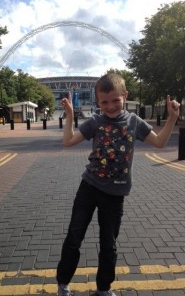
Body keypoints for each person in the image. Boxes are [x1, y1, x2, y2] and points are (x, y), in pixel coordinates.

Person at [56, 73, 180, 296]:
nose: (110, 106)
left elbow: (160, 143)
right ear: (97, 102)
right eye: (104, 102)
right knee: (74, 236)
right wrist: (70, 116)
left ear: (125, 96)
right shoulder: (95, 121)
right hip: (89, 188)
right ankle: (63, 283)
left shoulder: (134, 122)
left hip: (115, 194)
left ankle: (103, 289)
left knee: (108, 245)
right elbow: (67, 141)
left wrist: (171, 118)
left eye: (115, 100)